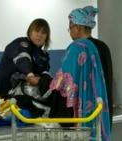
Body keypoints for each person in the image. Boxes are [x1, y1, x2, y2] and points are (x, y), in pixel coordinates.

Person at [27, 6, 112, 140]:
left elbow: (62, 84)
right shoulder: (102, 47)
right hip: (99, 109)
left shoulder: (76, 48)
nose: (70, 32)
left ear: (77, 27)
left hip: (82, 114)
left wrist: (40, 81)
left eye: (70, 28)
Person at [0, 18, 52, 119]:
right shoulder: (20, 44)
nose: (39, 35)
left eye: (43, 32)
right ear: (30, 32)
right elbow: (22, 60)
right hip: (2, 97)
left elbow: (45, 76)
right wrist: (30, 75)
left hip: (23, 101)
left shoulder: (43, 56)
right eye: (37, 31)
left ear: (47, 37)